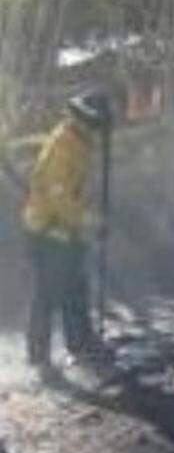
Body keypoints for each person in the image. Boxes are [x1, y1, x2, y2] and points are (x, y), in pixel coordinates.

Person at [22, 91, 110, 372]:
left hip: (65, 231)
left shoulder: (79, 143)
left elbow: (76, 190)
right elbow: (59, 197)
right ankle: (39, 357)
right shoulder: (64, 145)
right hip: (49, 231)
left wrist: (84, 223)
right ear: (87, 120)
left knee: (75, 290)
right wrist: (89, 221)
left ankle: (80, 345)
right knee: (47, 295)